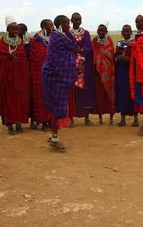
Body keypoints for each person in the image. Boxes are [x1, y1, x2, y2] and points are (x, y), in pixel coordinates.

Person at [42, 15, 78, 151]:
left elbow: (73, 46)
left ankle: (52, 136)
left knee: (56, 107)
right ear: (61, 25)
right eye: (67, 24)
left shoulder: (61, 36)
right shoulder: (57, 38)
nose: (69, 26)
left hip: (60, 77)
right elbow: (69, 49)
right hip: (55, 77)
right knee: (57, 108)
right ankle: (55, 140)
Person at [0, 17, 30, 134]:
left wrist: (17, 58)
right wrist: (9, 57)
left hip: (19, 77)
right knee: (8, 100)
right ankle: (9, 125)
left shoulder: (20, 42)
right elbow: (0, 59)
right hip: (7, 78)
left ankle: (18, 123)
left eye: (16, 30)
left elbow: (23, 58)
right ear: (7, 29)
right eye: (13, 30)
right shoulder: (2, 42)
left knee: (19, 100)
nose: (15, 32)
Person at [69, 12, 96, 126]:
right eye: (75, 20)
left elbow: (88, 48)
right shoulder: (67, 33)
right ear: (71, 20)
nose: (77, 22)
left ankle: (86, 118)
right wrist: (76, 49)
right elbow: (67, 47)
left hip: (84, 67)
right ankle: (70, 119)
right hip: (70, 67)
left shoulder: (86, 33)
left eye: (79, 19)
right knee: (72, 93)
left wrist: (81, 51)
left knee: (85, 92)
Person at [29, 19, 54, 131]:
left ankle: (50, 121)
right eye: (50, 26)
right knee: (41, 97)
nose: (52, 27)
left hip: (52, 73)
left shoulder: (54, 38)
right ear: (43, 27)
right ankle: (42, 122)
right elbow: (35, 56)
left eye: (53, 25)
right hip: (39, 73)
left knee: (51, 97)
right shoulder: (36, 39)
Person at [91, 21, 115, 125]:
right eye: (99, 30)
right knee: (99, 95)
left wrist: (102, 54)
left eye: (102, 30)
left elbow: (111, 53)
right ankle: (100, 118)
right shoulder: (94, 41)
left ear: (106, 31)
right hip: (97, 72)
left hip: (109, 73)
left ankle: (111, 118)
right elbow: (92, 53)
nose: (100, 32)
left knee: (109, 94)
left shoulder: (110, 41)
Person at [115, 25, 139, 127]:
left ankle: (136, 119)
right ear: (121, 32)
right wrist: (118, 58)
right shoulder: (119, 44)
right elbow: (115, 56)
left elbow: (138, 57)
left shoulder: (135, 44)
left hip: (132, 72)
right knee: (122, 93)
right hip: (121, 72)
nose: (125, 33)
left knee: (132, 92)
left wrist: (129, 59)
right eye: (123, 32)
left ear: (131, 32)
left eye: (127, 31)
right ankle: (122, 119)